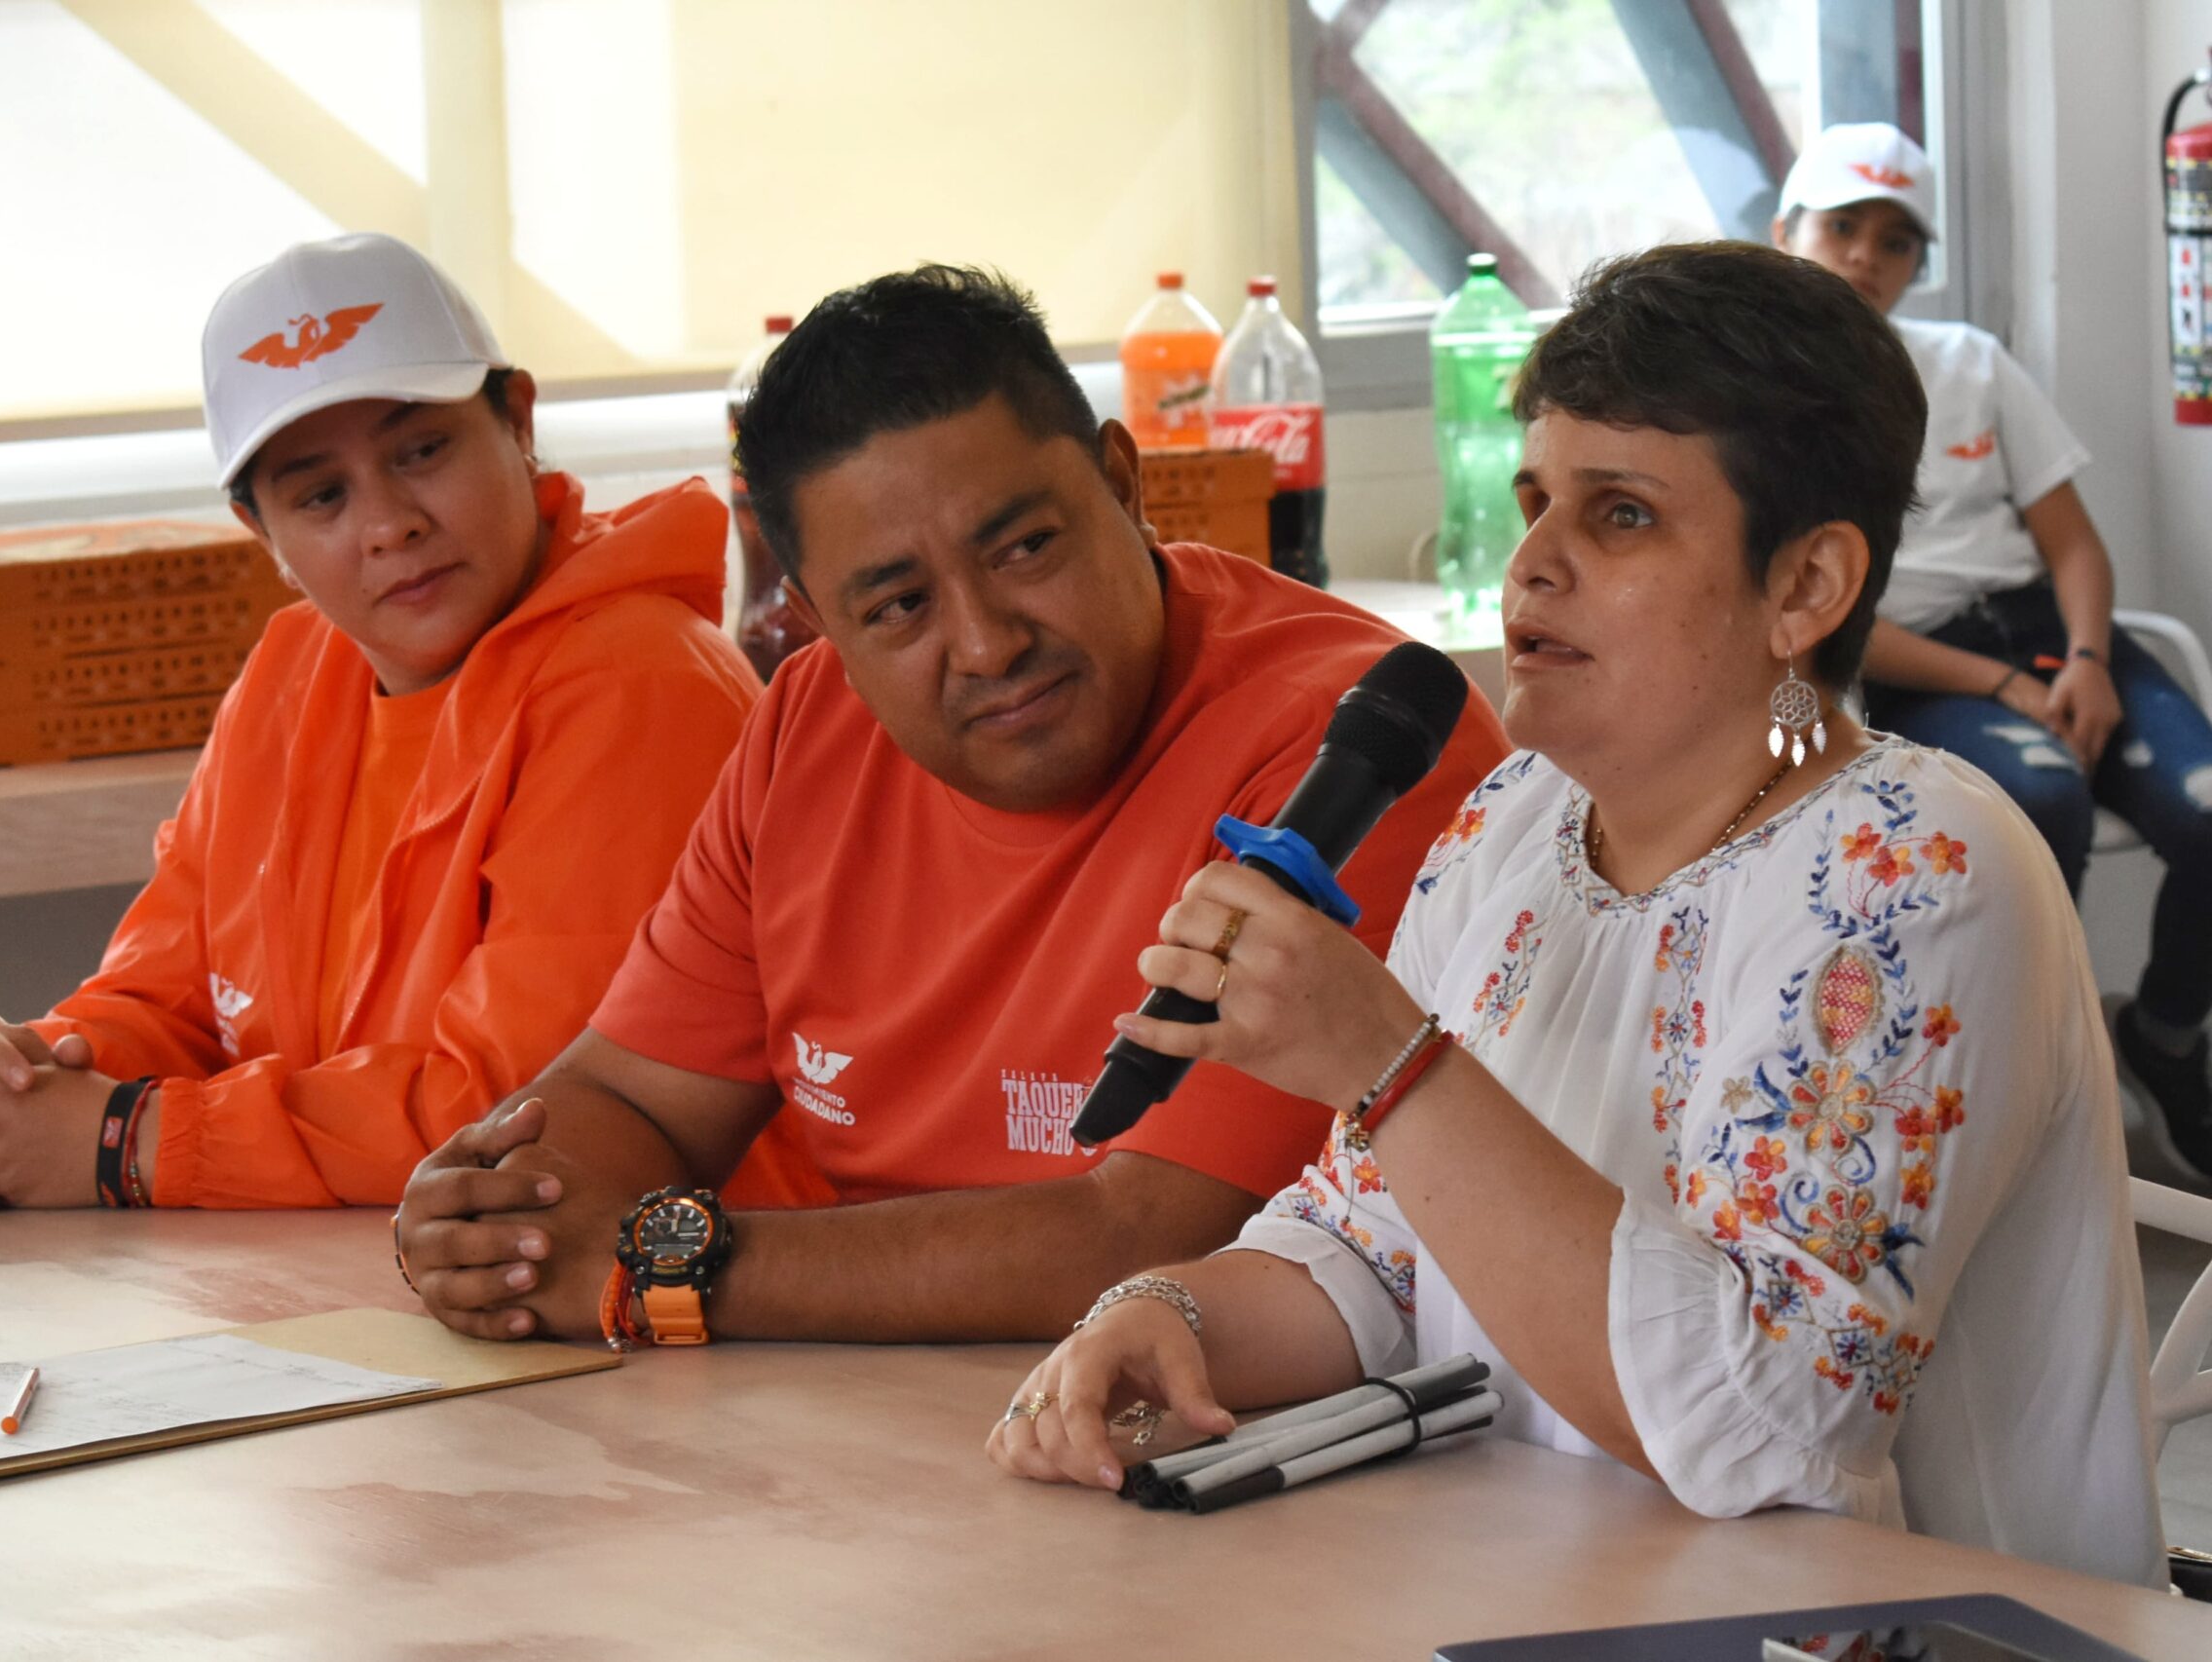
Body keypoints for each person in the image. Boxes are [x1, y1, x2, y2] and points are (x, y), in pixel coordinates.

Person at [988, 243, 2163, 1588]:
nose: (1530, 560)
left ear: (1806, 589)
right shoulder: (1514, 824)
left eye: (1620, 516)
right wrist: (1168, 1309)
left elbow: (1760, 1430)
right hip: (1544, 1598)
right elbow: (1379, 1249)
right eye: (1537, 495)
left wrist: (1387, 1057)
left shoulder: (1920, 872)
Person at [394, 265, 1507, 1346]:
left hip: (1240, 1448)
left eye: (1025, 547)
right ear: (811, 614)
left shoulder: (1356, 741)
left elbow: (1156, 1233)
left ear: (1123, 482)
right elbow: (630, 1099)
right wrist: (502, 1223)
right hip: (887, 1443)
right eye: (897, 605)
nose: (985, 642)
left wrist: (674, 1268)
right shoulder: (802, 728)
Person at [0, 232, 759, 1210]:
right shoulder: (292, 671)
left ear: (515, 421)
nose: (388, 523)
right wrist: (21, 1086)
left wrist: (127, 1140)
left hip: (661, 1308)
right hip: (358, 1277)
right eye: (322, 495)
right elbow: (169, 1000)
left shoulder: (641, 683)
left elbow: (525, 1117)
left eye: (421, 450)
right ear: (265, 534)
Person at [1772, 122, 2212, 1178]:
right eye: (1840, 227)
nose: (1864, 258)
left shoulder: (1968, 362)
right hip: (1921, 660)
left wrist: (2090, 659)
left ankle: (2159, 1035)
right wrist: (2006, 685)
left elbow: (2072, 544)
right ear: (1784, 232)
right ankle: (2031, 1079)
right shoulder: (1768, 409)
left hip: (2050, 634)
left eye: (1894, 239)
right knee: (2043, 797)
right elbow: (1829, 620)